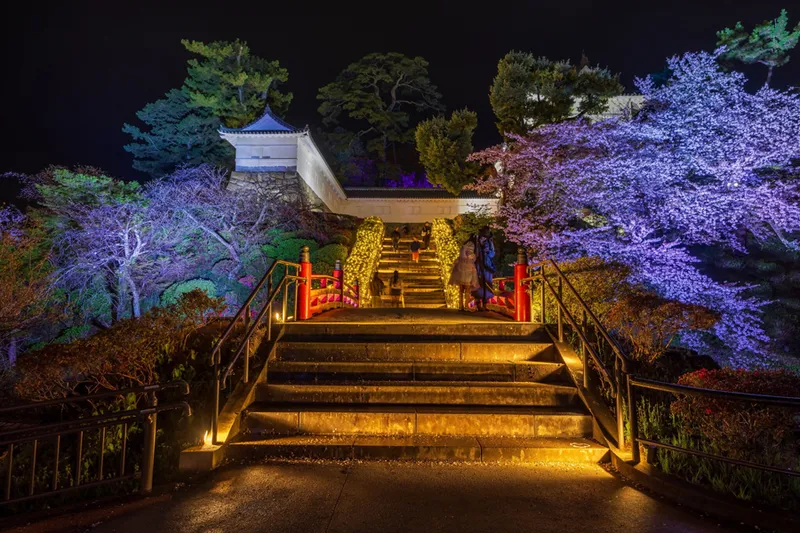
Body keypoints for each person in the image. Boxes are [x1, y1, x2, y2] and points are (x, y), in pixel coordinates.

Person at [449, 238, 479, 311]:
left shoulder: (462, 247)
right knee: (467, 290)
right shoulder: (471, 246)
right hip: (468, 269)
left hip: (460, 269)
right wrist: (475, 256)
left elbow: (459, 257)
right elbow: (471, 256)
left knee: (461, 290)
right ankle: (466, 306)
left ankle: (460, 306)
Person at [473, 226, 496, 312]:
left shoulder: (489, 242)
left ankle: (485, 303)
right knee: (477, 283)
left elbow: (492, 254)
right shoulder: (476, 242)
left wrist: (487, 251)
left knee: (487, 283)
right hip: (478, 265)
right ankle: (478, 303)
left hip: (487, 265)